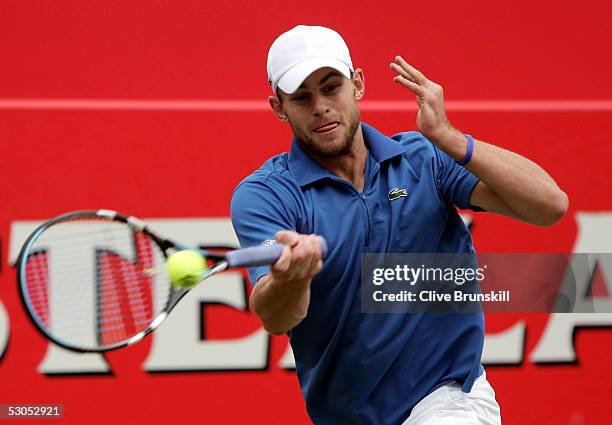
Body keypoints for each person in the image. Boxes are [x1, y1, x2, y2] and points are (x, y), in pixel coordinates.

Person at [230, 25, 568, 425]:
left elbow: (550, 206)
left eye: (330, 87)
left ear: (357, 85)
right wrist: (293, 279)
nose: (320, 106)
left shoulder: (425, 158)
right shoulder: (265, 195)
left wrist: (449, 138)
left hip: (449, 398)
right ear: (279, 108)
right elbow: (277, 317)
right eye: (302, 97)